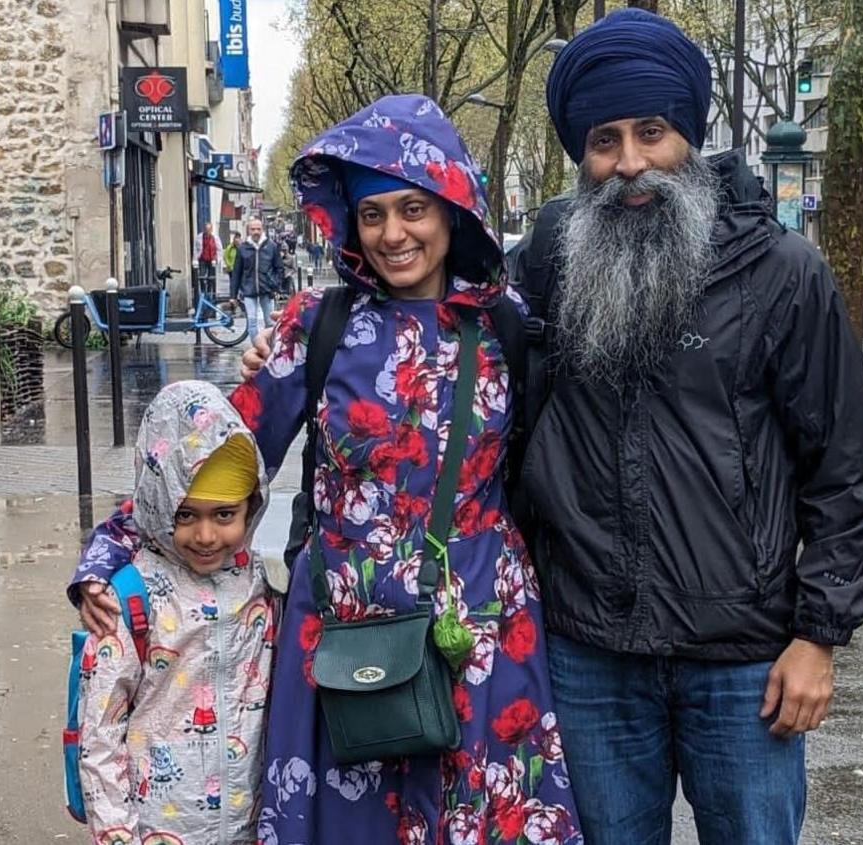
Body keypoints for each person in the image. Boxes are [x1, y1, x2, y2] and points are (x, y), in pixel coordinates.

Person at [243, 11, 863, 845]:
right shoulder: (547, 265)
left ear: (688, 131)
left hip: (741, 657)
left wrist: (818, 636)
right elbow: (440, 341)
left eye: (651, 133)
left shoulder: (781, 274)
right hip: (588, 651)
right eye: (604, 141)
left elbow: (844, 467)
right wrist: (282, 351)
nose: (629, 163)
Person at [73, 94, 581, 845]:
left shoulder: (508, 324)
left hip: (475, 627)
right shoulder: (317, 324)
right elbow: (215, 455)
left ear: (451, 209)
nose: (393, 233)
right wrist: (110, 551)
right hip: (344, 633)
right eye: (372, 213)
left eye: (413, 208)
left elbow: (558, 459)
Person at [75, 379, 274, 845]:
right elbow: (99, 732)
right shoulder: (127, 597)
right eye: (185, 515)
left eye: (224, 514)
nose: (205, 536)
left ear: (251, 506)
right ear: (158, 503)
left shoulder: (256, 582)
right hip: (155, 830)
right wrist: (116, 831)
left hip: (247, 823)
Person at [230, 218, 282, 336]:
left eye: (258, 229)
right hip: (249, 290)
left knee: (270, 323)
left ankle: (270, 350)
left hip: (267, 289)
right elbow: (236, 273)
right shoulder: (243, 248)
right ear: (249, 230)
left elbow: (279, 268)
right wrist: (233, 295)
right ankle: (257, 349)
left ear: (262, 229)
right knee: (252, 324)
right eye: (253, 229)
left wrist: (276, 285)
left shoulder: (271, 246)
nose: (256, 232)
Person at [197, 222, 223, 288]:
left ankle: (211, 292)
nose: (207, 231)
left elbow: (219, 249)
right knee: (201, 276)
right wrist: (195, 259)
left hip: (212, 260)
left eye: (209, 229)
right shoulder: (199, 237)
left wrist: (217, 259)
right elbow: (196, 248)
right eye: (206, 229)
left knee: (211, 277)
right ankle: (203, 290)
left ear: (211, 230)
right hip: (202, 259)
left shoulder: (215, 238)